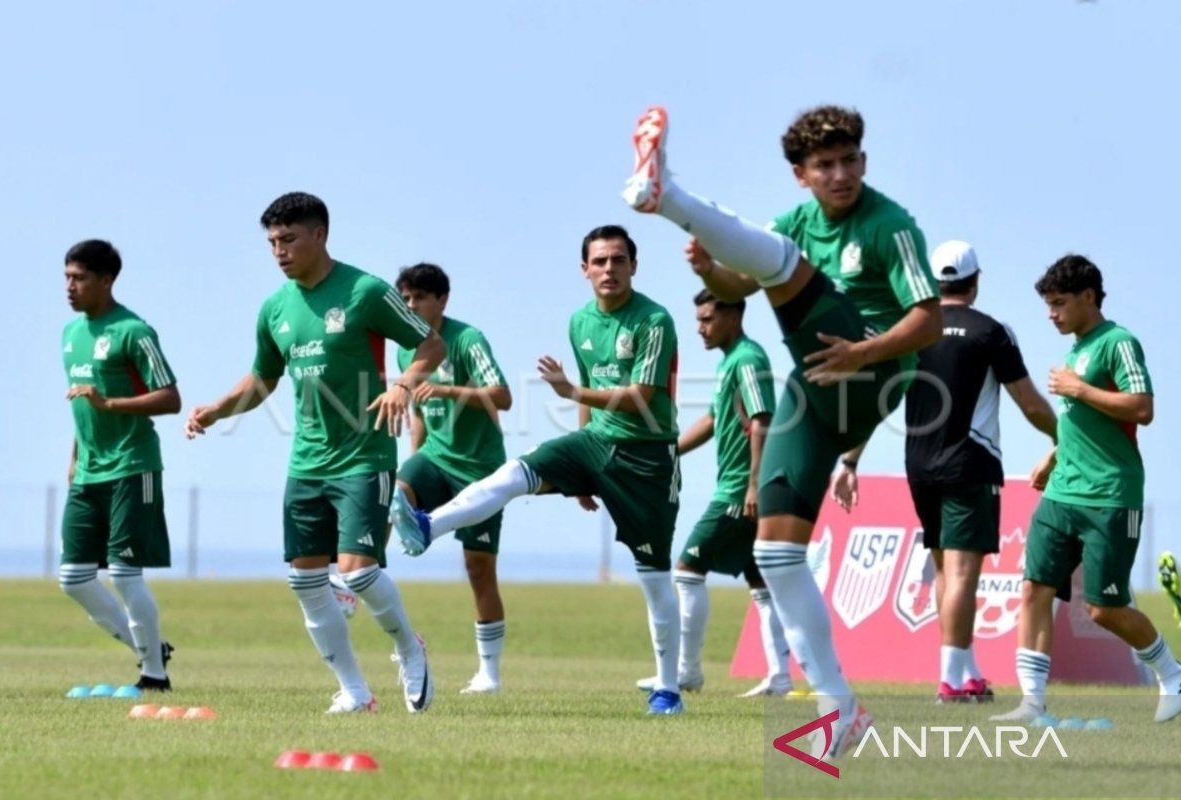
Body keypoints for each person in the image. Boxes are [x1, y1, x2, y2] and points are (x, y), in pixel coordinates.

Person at [622, 104, 942, 753]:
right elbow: (747, 277)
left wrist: (863, 353)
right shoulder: (793, 221)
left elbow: (930, 321)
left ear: (865, 161)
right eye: (825, 164)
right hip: (814, 384)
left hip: (873, 372)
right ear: (801, 175)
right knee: (774, 554)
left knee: (789, 267)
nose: (841, 173)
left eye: (850, 160)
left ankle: (669, 196)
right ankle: (841, 708)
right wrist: (711, 271)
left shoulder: (890, 224)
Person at [392, 225, 687, 715]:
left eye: (618, 260)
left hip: (647, 458)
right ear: (584, 270)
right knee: (515, 473)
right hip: (593, 444)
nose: (608, 269)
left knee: (655, 577)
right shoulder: (579, 321)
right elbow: (591, 393)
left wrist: (573, 394)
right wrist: (582, 474)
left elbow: (642, 398)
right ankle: (427, 525)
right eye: (599, 261)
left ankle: (669, 690)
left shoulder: (654, 320)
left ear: (634, 266)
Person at [184, 192, 445, 714]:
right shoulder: (275, 307)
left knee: (357, 573)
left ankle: (408, 649)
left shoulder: (365, 291)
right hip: (306, 462)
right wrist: (216, 409)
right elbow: (263, 378)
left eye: (289, 239)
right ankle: (354, 691)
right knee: (305, 580)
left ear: (320, 235)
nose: (279, 251)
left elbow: (430, 345)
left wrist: (404, 384)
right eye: (272, 242)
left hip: (364, 456)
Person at [831, 240, 1056, 703]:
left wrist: (849, 460)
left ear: (933, 285)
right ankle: (951, 680)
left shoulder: (909, 332)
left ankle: (966, 672)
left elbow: (879, 401)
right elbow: (1030, 405)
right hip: (970, 464)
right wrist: (1065, 439)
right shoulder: (992, 331)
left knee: (943, 571)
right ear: (975, 283)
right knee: (961, 574)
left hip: (919, 465)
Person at [991, 255, 1181, 723]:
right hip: (1062, 493)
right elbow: (1083, 422)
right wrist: (1053, 455)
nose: (1050, 314)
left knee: (1104, 608)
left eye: (1059, 303)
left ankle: (1172, 674)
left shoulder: (1119, 343)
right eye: (1047, 305)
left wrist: (1079, 390)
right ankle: (1032, 703)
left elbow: (1142, 407)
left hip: (1110, 496)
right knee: (1035, 587)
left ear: (1089, 297)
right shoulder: (1077, 349)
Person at [636, 289, 793, 698]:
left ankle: (686, 671)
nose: (699, 328)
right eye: (698, 318)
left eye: (707, 319)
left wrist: (754, 484)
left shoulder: (749, 360)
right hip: (739, 486)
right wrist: (670, 451)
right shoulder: (730, 362)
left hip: (739, 489)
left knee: (687, 570)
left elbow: (762, 420)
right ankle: (779, 676)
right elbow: (712, 418)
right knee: (759, 581)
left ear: (733, 316)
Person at [60, 239, 180, 691]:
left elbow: (170, 398)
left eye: (79, 278)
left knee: (126, 575)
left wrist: (109, 402)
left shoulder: (134, 331)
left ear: (106, 281)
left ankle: (154, 675)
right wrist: (74, 459)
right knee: (72, 578)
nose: (70, 287)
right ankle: (149, 647)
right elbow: (81, 408)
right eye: (67, 277)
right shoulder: (71, 336)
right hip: (89, 472)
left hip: (133, 466)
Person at [394, 263, 513, 695]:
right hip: (434, 458)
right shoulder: (406, 349)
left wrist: (447, 390)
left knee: (478, 569)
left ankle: (489, 673)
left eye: (419, 298)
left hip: (480, 472)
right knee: (394, 492)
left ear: (442, 300)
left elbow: (503, 397)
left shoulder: (468, 339)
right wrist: (412, 468)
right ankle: (358, 578)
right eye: (405, 299)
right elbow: (418, 416)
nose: (411, 306)